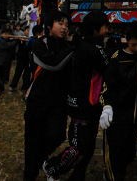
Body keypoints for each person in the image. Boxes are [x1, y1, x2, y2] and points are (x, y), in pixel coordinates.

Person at [43, 11, 110, 180]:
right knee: (78, 147)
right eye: (105, 26)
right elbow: (108, 69)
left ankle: (77, 176)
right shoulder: (93, 49)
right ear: (95, 29)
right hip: (84, 105)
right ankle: (52, 168)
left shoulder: (80, 45)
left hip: (82, 103)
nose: (108, 29)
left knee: (86, 146)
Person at [100, 22, 137, 181]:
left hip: (136, 116)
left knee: (126, 153)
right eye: (134, 45)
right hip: (117, 116)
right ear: (126, 40)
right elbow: (106, 86)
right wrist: (107, 106)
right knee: (114, 154)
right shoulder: (117, 59)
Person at [23, 11, 75, 181]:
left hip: (59, 101)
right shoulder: (39, 44)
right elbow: (53, 64)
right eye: (60, 23)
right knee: (33, 139)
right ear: (48, 26)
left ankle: (42, 162)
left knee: (57, 135)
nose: (64, 27)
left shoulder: (66, 45)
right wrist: (72, 48)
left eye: (66, 24)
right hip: (37, 100)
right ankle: (30, 173)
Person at [8, 23, 29, 92]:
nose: (28, 32)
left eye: (29, 30)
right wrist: (20, 40)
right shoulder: (20, 37)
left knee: (27, 73)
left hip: (28, 59)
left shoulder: (31, 39)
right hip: (21, 58)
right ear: (24, 31)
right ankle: (13, 86)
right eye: (27, 30)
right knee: (18, 72)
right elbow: (13, 40)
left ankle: (25, 87)